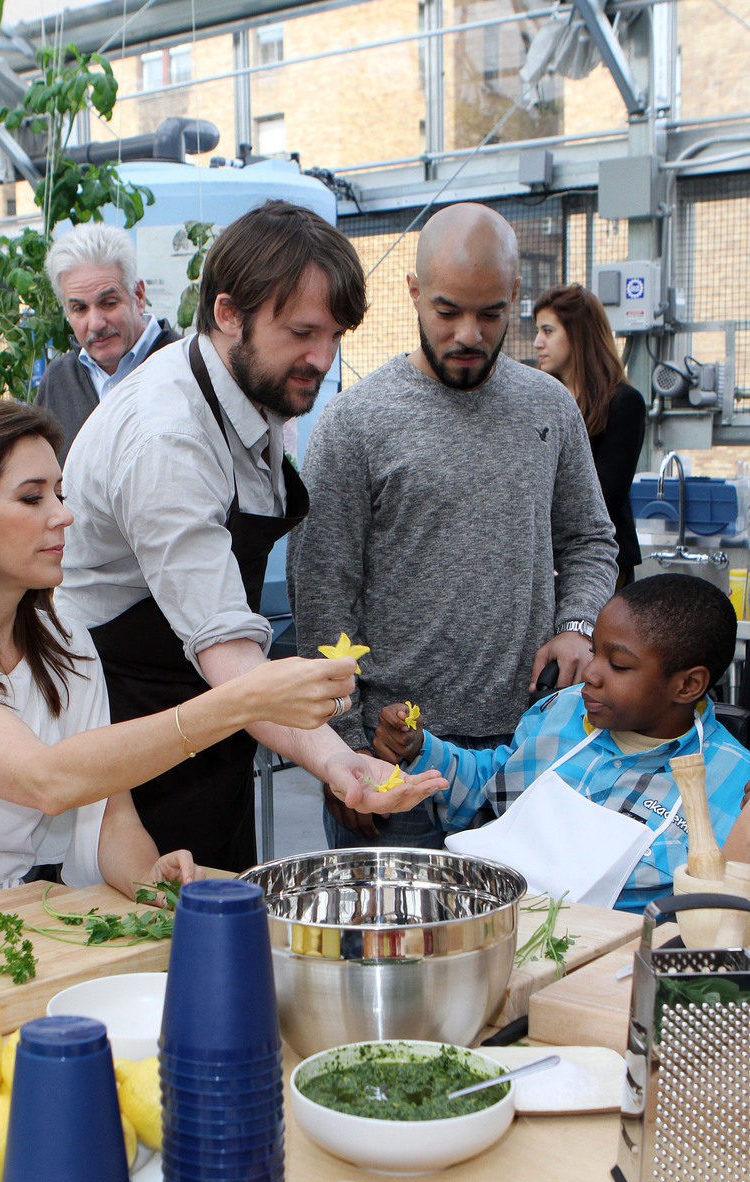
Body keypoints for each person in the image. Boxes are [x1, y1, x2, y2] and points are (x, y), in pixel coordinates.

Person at [0, 402, 360, 938]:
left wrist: (148, 877)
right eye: (32, 497)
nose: (63, 514)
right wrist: (244, 701)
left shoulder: (64, 645)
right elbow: (46, 779)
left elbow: (109, 814)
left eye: (61, 493)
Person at [56, 200, 446, 872]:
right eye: (301, 333)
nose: (321, 358)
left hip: (212, 718)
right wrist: (338, 761)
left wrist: (334, 760)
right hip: (129, 726)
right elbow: (230, 659)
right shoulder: (167, 441)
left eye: (334, 336)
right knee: (159, 944)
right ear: (228, 313)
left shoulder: (242, 387)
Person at [288, 201, 619, 852]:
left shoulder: (549, 407)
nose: (468, 332)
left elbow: (589, 539)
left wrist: (578, 626)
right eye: (447, 311)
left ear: (516, 297)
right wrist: (347, 746)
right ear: (413, 293)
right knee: (389, 949)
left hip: (525, 754)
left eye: (489, 312)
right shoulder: (356, 424)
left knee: (527, 947)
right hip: (396, 755)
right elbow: (323, 595)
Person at [373, 575, 750, 913]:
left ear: (687, 686)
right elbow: (491, 785)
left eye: (617, 665)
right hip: (491, 920)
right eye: (595, 652)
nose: (590, 673)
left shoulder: (733, 781)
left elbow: (716, 918)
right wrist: (420, 748)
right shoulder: (564, 710)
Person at [35, 222, 181, 464]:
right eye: (79, 308)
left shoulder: (186, 367)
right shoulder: (58, 381)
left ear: (139, 295)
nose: (95, 323)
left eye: (108, 303)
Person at [534, 283, 646, 586]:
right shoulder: (541, 401)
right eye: (538, 331)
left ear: (578, 333)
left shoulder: (623, 402)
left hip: (601, 564)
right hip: (546, 561)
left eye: (548, 331)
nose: (537, 342)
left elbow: (605, 493)